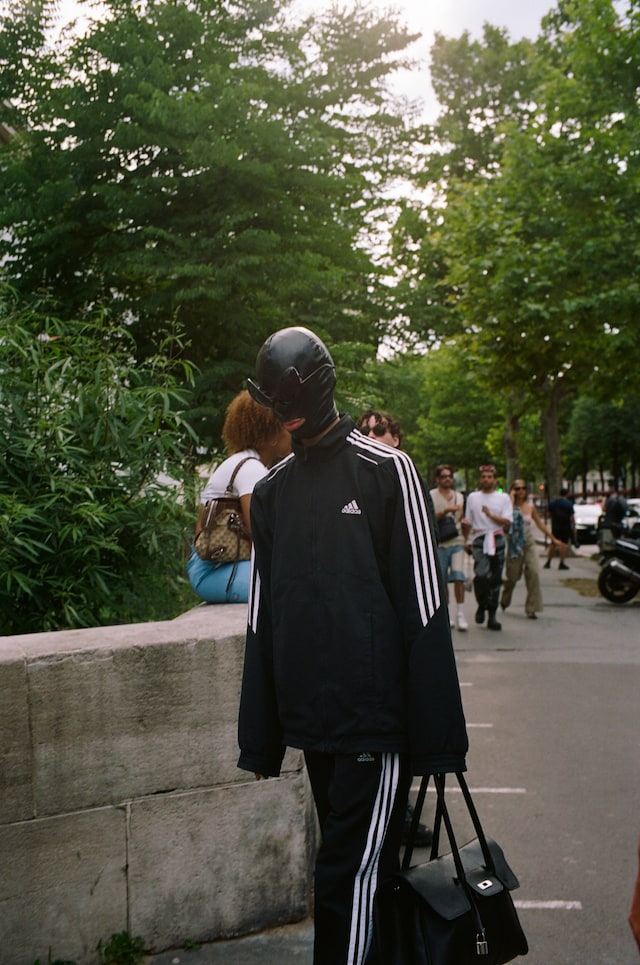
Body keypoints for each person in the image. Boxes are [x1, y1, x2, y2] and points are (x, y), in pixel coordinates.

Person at [238, 326, 468, 965]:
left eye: (292, 400)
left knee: (348, 877)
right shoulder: (274, 492)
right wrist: (261, 736)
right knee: (357, 869)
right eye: (275, 403)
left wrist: (437, 740)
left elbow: (424, 608)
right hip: (315, 727)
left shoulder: (387, 472)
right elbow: (265, 617)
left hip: (376, 728)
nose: (285, 416)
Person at [357, 408, 434, 848]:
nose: (371, 434)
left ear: (397, 437)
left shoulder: (402, 478)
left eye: (379, 429)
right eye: (365, 429)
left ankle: (398, 813)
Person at [186, 390, 291, 604]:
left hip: (216, 568)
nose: (291, 431)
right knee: (295, 584)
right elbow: (261, 533)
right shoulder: (251, 469)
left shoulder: (243, 462)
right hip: (214, 572)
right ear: (271, 433)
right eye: (285, 424)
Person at [501, 480, 561, 620]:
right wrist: (510, 498)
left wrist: (553, 538)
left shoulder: (530, 507)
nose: (521, 491)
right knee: (512, 577)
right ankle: (505, 598)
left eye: (523, 488)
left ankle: (532, 608)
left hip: (528, 542)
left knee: (533, 572)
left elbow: (540, 525)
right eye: (517, 488)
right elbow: (505, 520)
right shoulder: (508, 506)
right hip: (514, 544)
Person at [464, 464, 513, 631]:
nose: (486, 479)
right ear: (480, 479)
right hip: (479, 539)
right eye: (483, 477)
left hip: (497, 538)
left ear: (494, 479)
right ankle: (481, 603)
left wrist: (490, 515)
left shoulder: (504, 498)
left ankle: (492, 614)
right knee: (482, 574)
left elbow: (507, 522)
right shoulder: (473, 497)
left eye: (489, 477)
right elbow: (468, 521)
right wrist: (467, 539)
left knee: (496, 578)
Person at [430, 465, 469, 631]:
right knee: (442, 580)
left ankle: (460, 614)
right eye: (444, 476)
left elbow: (463, 519)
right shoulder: (431, 495)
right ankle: (447, 613)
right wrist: (446, 511)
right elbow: (429, 518)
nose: (447, 479)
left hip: (457, 540)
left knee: (459, 577)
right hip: (440, 543)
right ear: (437, 479)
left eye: (449, 476)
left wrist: (467, 536)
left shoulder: (460, 497)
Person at [543, 487, 575, 570]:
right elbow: (572, 517)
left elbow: (548, 515)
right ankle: (561, 563)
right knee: (564, 545)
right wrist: (574, 527)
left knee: (553, 544)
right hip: (566, 526)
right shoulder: (569, 504)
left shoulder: (553, 503)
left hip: (555, 526)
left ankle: (548, 562)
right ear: (567, 494)